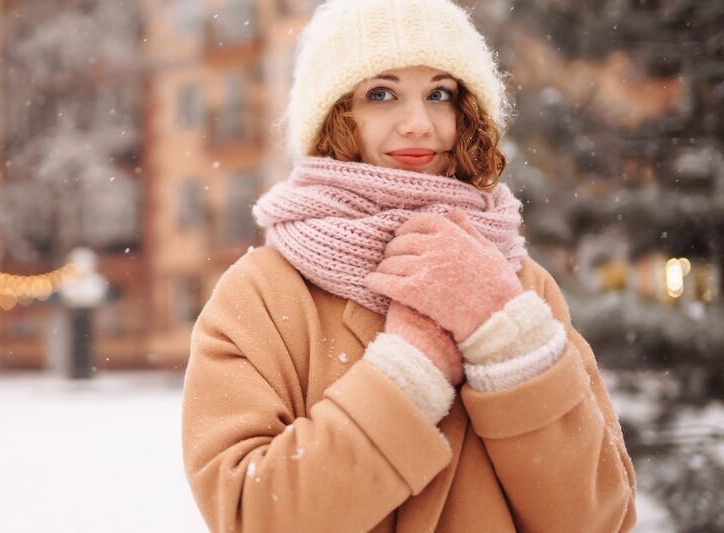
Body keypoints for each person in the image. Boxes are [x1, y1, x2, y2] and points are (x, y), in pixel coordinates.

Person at [181, 0, 637, 532]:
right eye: (381, 93)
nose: (419, 124)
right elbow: (252, 516)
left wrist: (505, 339)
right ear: (333, 117)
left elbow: (599, 519)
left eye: (439, 94)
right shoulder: (261, 294)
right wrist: (411, 371)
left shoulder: (518, 285)